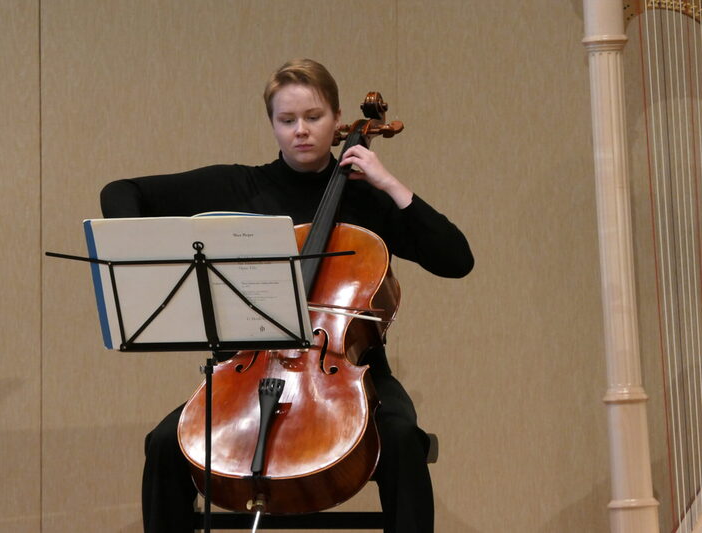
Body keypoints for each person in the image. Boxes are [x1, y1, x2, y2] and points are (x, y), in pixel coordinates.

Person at [100, 58, 473, 533]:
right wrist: (144, 244)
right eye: (287, 120)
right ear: (272, 125)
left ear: (339, 121)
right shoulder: (239, 186)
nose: (301, 130)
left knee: (400, 439)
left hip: (350, 373)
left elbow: (456, 259)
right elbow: (121, 191)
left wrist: (390, 184)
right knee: (163, 445)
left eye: (313, 117)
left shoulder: (367, 199)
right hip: (245, 372)